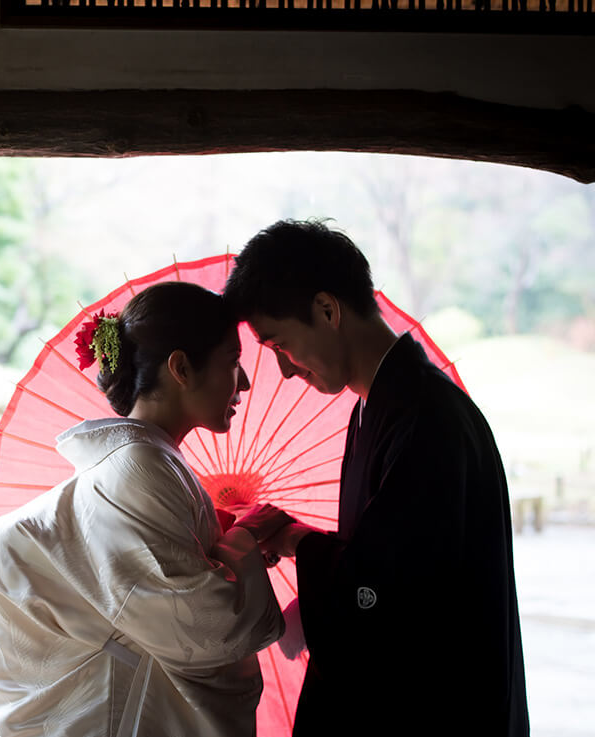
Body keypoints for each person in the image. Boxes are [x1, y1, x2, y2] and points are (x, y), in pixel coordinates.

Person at [224, 219, 530, 737]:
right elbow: (383, 562)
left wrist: (296, 540)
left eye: (280, 346)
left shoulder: (426, 418)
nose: (286, 371)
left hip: (436, 706)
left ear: (327, 310)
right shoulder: (380, 407)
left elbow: (393, 598)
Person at [0, 282, 293, 737]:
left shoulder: (143, 463)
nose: (244, 382)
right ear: (181, 368)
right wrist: (244, 541)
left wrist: (216, 544)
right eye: (232, 361)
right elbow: (208, 629)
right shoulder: (140, 468)